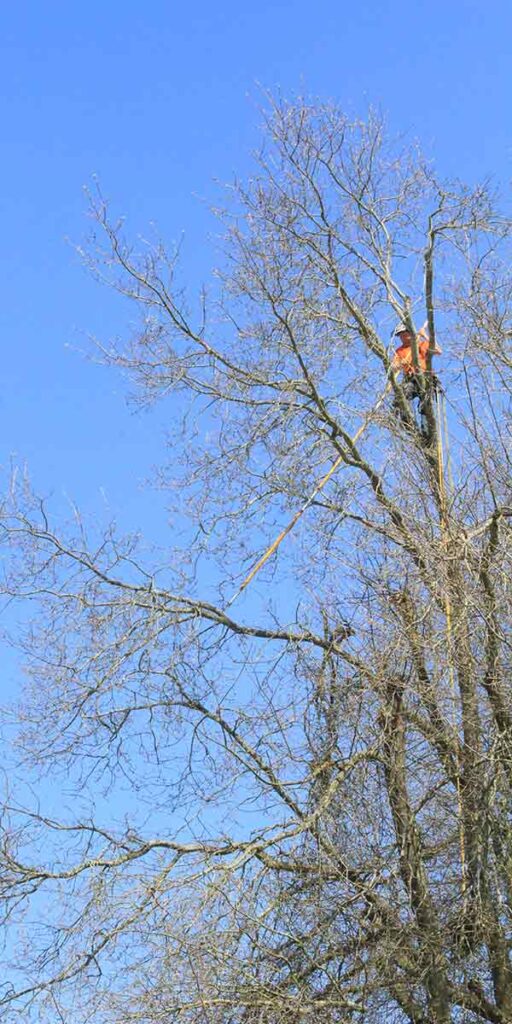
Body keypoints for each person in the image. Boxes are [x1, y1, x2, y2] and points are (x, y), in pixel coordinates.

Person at [391, 321, 442, 431]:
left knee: (425, 406)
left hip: (426, 378)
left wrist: (424, 335)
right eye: (401, 336)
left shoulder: (421, 344)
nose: (403, 338)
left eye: (404, 335)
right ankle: (409, 427)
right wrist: (401, 363)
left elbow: (438, 351)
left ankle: (426, 431)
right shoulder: (400, 351)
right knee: (401, 398)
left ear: (410, 333)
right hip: (410, 380)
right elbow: (394, 367)